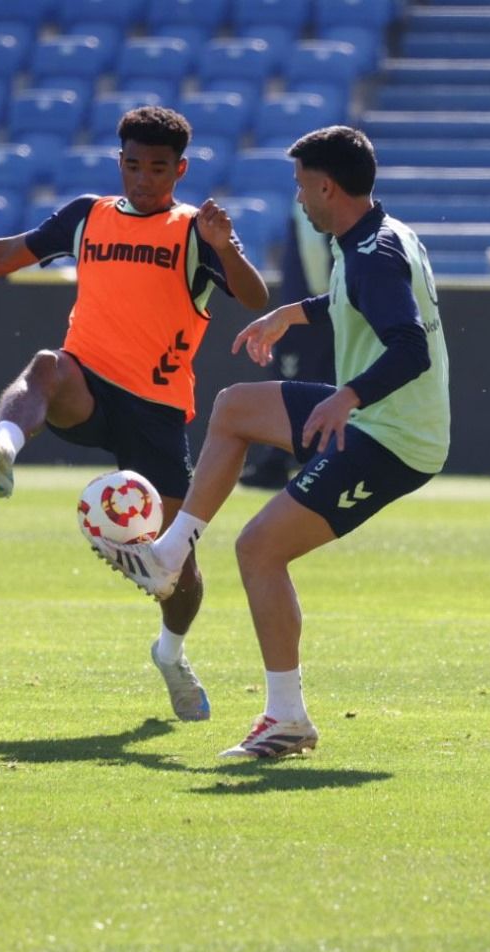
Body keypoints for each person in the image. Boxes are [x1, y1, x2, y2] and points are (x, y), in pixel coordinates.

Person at [0, 106, 269, 721]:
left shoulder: (195, 231)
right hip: (86, 385)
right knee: (47, 365)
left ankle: (170, 653)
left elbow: (254, 297)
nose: (143, 179)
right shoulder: (87, 216)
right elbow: (3, 255)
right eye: (132, 165)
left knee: (176, 571)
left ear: (179, 169)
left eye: (157, 168)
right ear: (117, 162)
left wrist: (227, 248)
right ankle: (4, 449)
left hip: (156, 409)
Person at [98, 125, 451, 758]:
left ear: (326, 186)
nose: (298, 200)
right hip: (375, 417)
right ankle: (170, 552)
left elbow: (410, 347)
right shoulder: (374, 235)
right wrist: (295, 311)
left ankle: (286, 719)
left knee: (259, 550)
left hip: (393, 438)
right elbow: (361, 301)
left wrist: (348, 396)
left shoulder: (372, 252)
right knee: (234, 408)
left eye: (300, 187)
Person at [239, 199, 335, 489]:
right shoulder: (331, 201)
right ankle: (313, 460)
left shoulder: (311, 203)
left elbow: (313, 251)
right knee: (324, 383)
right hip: (322, 313)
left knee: (290, 385)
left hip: (306, 315)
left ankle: (279, 460)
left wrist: (316, 303)